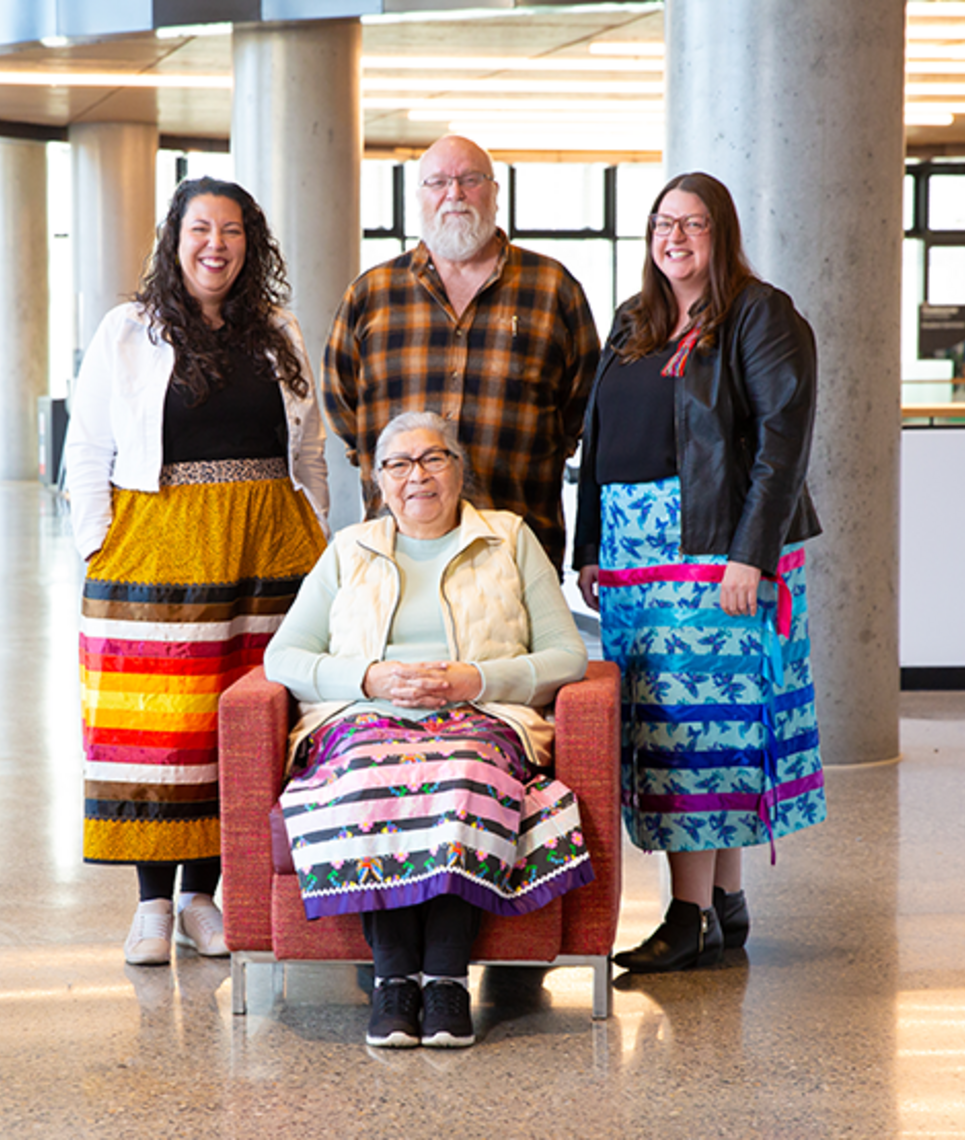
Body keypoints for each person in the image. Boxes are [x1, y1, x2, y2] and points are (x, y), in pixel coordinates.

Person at [264, 411, 593, 1048]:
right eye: (399, 464)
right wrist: (371, 678)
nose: (418, 475)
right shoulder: (348, 550)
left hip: (480, 717)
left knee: (461, 771)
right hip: (365, 719)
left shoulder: (509, 538)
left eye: (433, 458)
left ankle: (445, 981)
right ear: (379, 481)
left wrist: (477, 680)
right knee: (370, 771)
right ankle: (393, 983)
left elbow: (567, 655)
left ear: (458, 470)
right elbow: (284, 657)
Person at [65, 176, 329, 967]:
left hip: (267, 548)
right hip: (157, 545)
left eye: (233, 231)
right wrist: (96, 545)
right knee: (158, 728)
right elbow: (87, 449)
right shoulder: (128, 330)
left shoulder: (278, 329)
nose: (216, 245)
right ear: (174, 241)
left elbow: (308, 449)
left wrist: (317, 536)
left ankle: (200, 899)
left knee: (237, 724)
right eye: (200, 230)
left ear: (252, 245)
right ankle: (150, 906)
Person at [573, 172, 826, 974]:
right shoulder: (635, 320)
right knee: (656, 730)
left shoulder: (761, 314)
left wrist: (749, 553)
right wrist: (588, 547)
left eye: (692, 224)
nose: (674, 237)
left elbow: (783, 442)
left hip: (714, 554)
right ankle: (724, 902)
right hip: (632, 561)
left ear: (722, 233)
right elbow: (598, 437)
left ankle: (684, 917)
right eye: (661, 223)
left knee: (698, 740)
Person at [323, 135, 600, 573]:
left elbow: (584, 409)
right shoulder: (371, 294)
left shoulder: (552, 289)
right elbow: (343, 409)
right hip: (397, 552)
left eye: (470, 180)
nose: (454, 193)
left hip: (516, 551)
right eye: (438, 182)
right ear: (419, 196)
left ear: (494, 192)